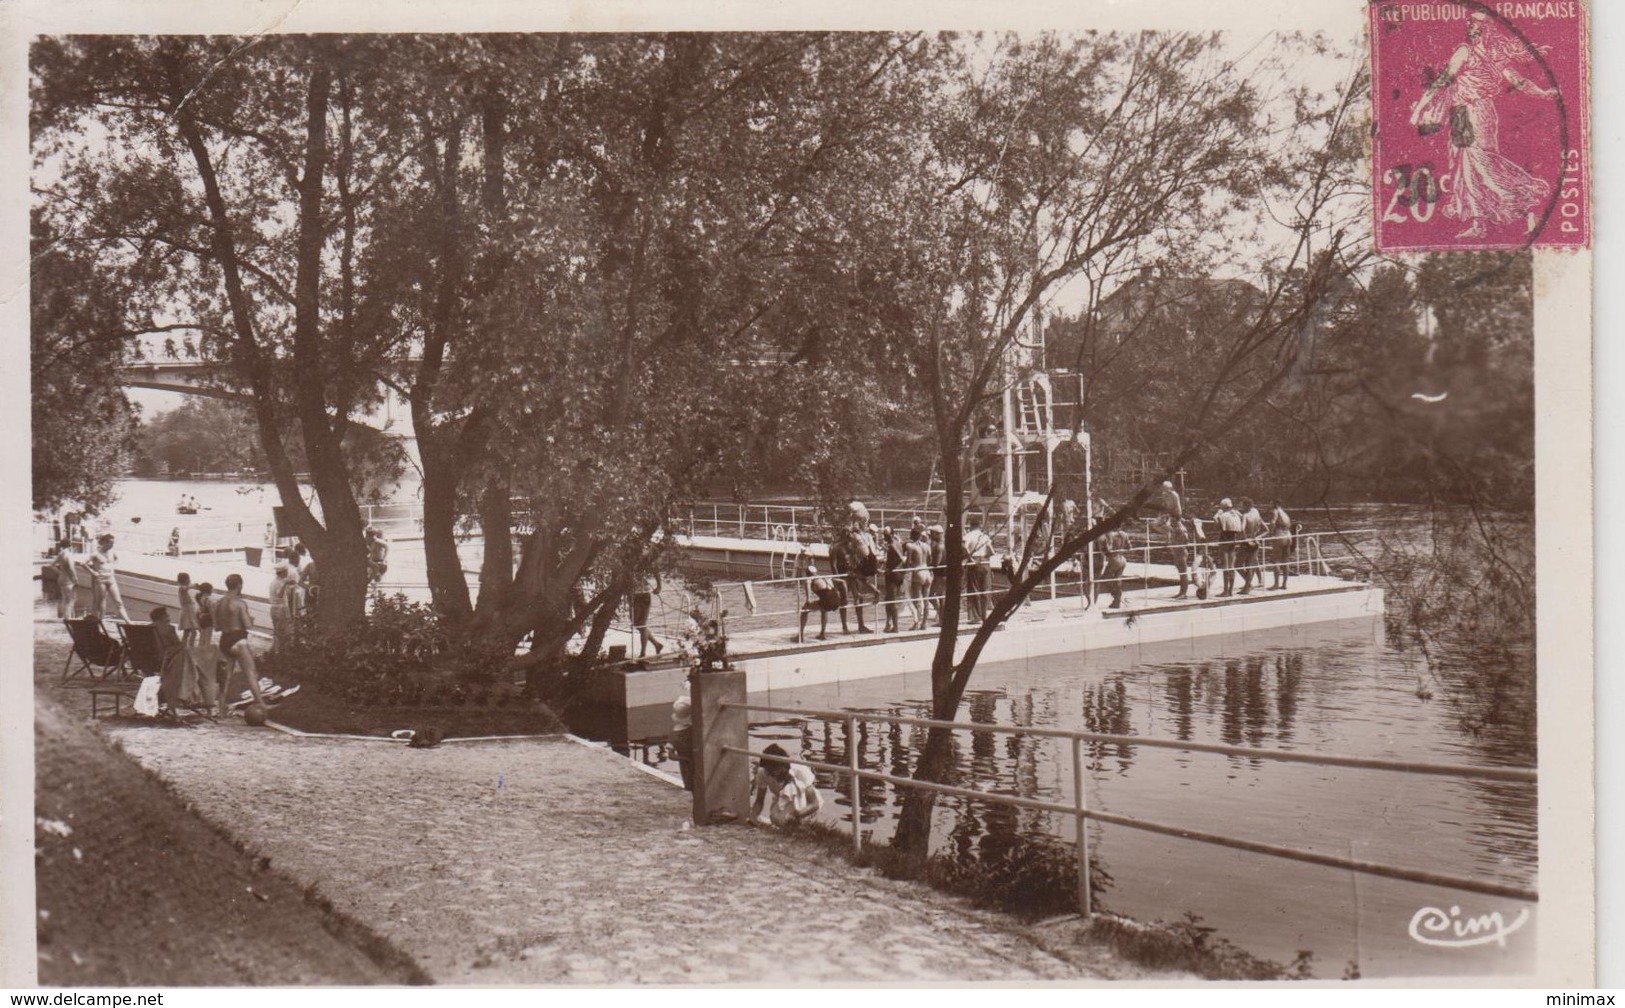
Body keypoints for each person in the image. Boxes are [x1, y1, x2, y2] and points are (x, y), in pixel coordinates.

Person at [1408, 12, 1558, 239]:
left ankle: (1528, 207)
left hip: (1474, 113)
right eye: (1470, 23)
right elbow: (1519, 82)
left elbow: (1442, 81)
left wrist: (1419, 109)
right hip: (1467, 113)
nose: (1470, 26)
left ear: (1485, 28)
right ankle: (1480, 224)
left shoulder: (1466, 52)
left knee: (1482, 164)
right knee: (1467, 167)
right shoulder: (1492, 55)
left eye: (1475, 24)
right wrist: (1543, 94)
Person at [212, 573, 266, 716]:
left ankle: (221, 708)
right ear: (239, 585)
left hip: (224, 640)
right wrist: (251, 620)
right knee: (251, 673)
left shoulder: (218, 603)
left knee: (227, 676)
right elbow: (248, 625)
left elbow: (216, 627)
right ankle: (261, 704)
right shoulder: (240, 603)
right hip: (239, 640)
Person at [749, 743, 822, 829]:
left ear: (783, 765)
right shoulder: (763, 772)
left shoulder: (799, 770)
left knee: (785, 821)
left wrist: (797, 815)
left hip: (804, 801)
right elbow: (759, 801)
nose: (769, 774)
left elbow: (814, 804)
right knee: (775, 818)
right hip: (782, 798)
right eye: (767, 770)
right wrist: (753, 818)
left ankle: (799, 823)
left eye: (773, 771)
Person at [85, 533, 131, 623]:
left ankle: (128, 621)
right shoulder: (96, 553)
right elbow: (83, 563)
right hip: (101, 579)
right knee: (101, 601)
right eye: (110, 543)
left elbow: (117, 559)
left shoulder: (112, 552)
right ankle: (101, 620)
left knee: (118, 601)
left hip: (111, 578)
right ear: (104, 542)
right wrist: (93, 572)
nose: (112, 545)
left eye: (113, 543)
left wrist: (113, 567)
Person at [798, 562, 848, 642]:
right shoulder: (825, 577)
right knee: (824, 609)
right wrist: (845, 598)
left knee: (804, 610)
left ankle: (800, 636)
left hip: (827, 601)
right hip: (836, 600)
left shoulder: (810, 578)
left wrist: (808, 599)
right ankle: (822, 634)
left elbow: (807, 582)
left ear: (807, 573)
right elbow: (843, 582)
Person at [963, 515, 994, 622]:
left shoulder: (968, 536)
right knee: (985, 589)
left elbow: (964, 548)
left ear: (971, 525)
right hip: (985, 562)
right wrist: (986, 557)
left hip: (974, 562)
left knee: (974, 589)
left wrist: (970, 558)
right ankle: (984, 615)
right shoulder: (984, 536)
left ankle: (975, 617)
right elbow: (991, 551)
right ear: (979, 525)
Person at [902, 526, 933, 631]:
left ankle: (916, 623)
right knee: (926, 600)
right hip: (927, 572)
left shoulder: (910, 546)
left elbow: (908, 562)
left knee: (917, 601)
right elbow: (930, 560)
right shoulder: (927, 545)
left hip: (918, 572)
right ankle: (924, 623)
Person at [1212, 499, 1243, 597]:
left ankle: (1226, 591)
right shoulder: (1236, 515)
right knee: (1231, 566)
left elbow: (1217, 525)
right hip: (1233, 540)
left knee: (1226, 566)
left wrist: (1216, 515)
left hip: (1224, 540)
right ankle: (1230, 590)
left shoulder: (1223, 516)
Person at [1097, 525, 1132, 610]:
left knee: (1104, 579)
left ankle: (1116, 597)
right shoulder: (1124, 534)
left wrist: (1104, 551)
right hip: (1122, 559)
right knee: (1118, 580)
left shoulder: (1110, 535)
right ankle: (1117, 601)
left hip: (1114, 559)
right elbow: (1130, 548)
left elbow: (1108, 549)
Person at [1236, 497, 1266, 595]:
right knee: (1250, 565)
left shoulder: (1245, 516)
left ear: (1245, 505)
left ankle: (1248, 585)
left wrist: (1245, 539)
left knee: (1237, 565)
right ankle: (1248, 585)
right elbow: (1266, 530)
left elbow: (1242, 528)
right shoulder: (1256, 513)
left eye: (1242, 505)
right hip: (1255, 541)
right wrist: (1258, 537)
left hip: (1247, 542)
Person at [631, 570, 664, 658]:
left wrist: (659, 587)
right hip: (634, 594)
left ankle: (643, 653)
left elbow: (655, 570)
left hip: (642, 594)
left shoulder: (643, 558)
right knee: (637, 624)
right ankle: (657, 644)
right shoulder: (626, 559)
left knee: (641, 625)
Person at [670, 677, 694, 791]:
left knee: (690, 785)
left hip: (685, 764)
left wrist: (683, 759)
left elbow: (671, 755)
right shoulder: (692, 730)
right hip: (694, 760)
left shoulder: (672, 733)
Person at [880, 527, 906, 633]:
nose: (885, 537)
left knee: (892, 601)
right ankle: (888, 624)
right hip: (895, 574)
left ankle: (895, 627)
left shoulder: (892, 545)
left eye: (886, 535)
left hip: (893, 576)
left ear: (891, 535)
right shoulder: (897, 543)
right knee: (888, 600)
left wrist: (893, 570)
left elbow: (901, 558)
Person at [268, 562, 298, 650]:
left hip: (273, 608)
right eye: (286, 572)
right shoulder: (279, 583)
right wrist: (285, 585)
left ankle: (275, 649)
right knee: (283, 632)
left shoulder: (275, 581)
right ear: (283, 572)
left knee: (277, 631)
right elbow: (280, 595)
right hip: (280, 608)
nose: (287, 574)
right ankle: (281, 650)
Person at [1267, 501, 1294, 590]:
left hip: (1280, 535)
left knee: (1276, 560)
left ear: (1275, 504)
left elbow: (1273, 522)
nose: (1269, 505)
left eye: (1270, 503)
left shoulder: (1275, 511)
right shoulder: (1284, 513)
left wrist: (1271, 532)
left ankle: (1276, 584)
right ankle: (1284, 584)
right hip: (1288, 535)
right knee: (1286, 560)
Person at [52, 541, 79, 620]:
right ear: (70, 546)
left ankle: (65, 617)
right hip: (68, 579)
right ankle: (69, 618)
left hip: (61, 577)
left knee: (64, 598)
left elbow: (52, 565)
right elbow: (71, 568)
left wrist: (60, 570)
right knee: (70, 599)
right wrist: (75, 579)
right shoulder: (69, 555)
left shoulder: (60, 554)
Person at [175, 572, 201, 646]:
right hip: (188, 612)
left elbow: (186, 588)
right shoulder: (181, 588)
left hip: (188, 611)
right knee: (193, 632)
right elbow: (185, 588)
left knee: (186, 632)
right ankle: (190, 647)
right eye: (188, 579)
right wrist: (194, 585)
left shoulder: (182, 589)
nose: (189, 580)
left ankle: (183, 647)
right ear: (184, 580)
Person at [194, 582, 216, 648]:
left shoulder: (199, 598)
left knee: (202, 638)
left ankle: (199, 652)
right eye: (211, 589)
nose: (212, 591)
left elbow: (198, 610)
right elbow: (212, 612)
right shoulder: (208, 600)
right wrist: (215, 622)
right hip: (208, 619)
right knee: (207, 640)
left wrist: (197, 620)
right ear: (208, 590)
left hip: (202, 618)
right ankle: (205, 654)